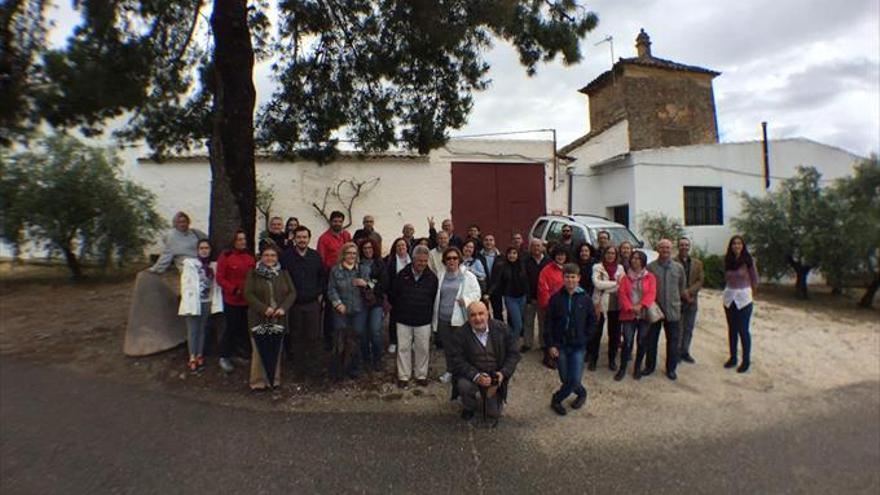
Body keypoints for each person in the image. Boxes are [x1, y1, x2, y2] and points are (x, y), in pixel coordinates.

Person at [448, 301, 521, 422]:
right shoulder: (460, 334)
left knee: (494, 414)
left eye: (481, 313)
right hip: (472, 374)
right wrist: (476, 376)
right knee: (463, 385)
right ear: (468, 317)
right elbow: (457, 360)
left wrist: (502, 374)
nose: (478, 318)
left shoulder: (502, 329)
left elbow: (514, 354)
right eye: (473, 315)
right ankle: (469, 406)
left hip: (495, 375)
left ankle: (490, 397)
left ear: (488, 314)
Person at [244, 244, 297, 390]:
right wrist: (263, 308)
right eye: (267, 255)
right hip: (259, 317)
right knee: (259, 350)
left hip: (277, 317)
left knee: (275, 349)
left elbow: (292, 293)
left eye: (273, 255)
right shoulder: (253, 273)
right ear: (261, 257)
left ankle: (274, 380)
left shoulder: (283, 273)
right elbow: (248, 294)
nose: (270, 258)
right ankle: (257, 382)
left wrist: (283, 308)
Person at [546, 263, 596, 415]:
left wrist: (586, 337)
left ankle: (557, 399)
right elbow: (548, 323)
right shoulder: (555, 299)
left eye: (573, 277)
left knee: (574, 378)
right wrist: (551, 345)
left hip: (577, 346)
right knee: (565, 378)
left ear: (579, 278)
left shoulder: (585, 299)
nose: (570, 280)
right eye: (567, 277)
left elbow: (592, 321)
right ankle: (581, 392)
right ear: (563, 278)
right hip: (560, 345)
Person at [391, 245, 439, 388]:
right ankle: (403, 376)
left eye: (425, 261)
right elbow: (394, 295)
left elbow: (433, 297)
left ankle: (421, 375)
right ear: (413, 259)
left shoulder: (432, 278)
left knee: (423, 348)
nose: (422, 264)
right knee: (403, 348)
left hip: (423, 319)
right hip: (403, 318)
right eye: (419, 261)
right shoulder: (402, 275)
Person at [432, 246, 482, 384]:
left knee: (462, 347)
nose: (452, 261)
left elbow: (477, 293)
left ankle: (464, 372)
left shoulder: (467, 276)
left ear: (459, 259)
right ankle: (450, 370)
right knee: (448, 347)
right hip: (443, 317)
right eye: (448, 258)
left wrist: (466, 300)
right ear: (444, 261)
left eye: (455, 258)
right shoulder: (440, 276)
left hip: (459, 318)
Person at [279, 226, 325, 361]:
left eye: (305, 237)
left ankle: (311, 364)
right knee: (295, 335)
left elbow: (322, 276)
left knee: (313, 335)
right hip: (293, 304)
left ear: (309, 239)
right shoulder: (286, 257)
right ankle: (297, 364)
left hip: (312, 303)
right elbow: (281, 278)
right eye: (299, 237)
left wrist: (319, 293)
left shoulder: (315, 256)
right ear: (294, 238)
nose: (302, 240)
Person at [327, 242, 371, 378]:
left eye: (354, 253)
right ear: (343, 254)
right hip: (341, 311)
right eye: (349, 253)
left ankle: (354, 369)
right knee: (340, 339)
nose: (351, 256)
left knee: (355, 338)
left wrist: (366, 284)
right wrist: (338, 304)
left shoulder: (362, 269)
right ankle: (339, 370)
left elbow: (373, 285)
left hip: (359, 310)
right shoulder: (335, 270)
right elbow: (331, 289)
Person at [178, 239, 224, 373]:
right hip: (193, 302)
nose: (204, 250)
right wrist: (188, 299)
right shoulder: (190, 264)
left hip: (207, 301)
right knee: (193, 330)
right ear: (197, 250)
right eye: (202, 248)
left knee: (203, 329)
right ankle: (192, 356)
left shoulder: (213, 266)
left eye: (207, 248)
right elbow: (185, 284)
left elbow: (216, 284)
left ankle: (199, 355)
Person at [646, 239, 687, 380]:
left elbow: (682, 287)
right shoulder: (650, 267)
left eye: (667, 248)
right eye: (662, 247)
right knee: (651, 339)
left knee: (673, 341)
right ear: (658, 249)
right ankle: (650, 366)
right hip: (655, 310)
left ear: (671, 249)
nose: (665, 250)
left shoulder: (678, 268)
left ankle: (671, 369)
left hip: (673, 309)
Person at [216, 229, 256, 373]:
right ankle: (224, 355)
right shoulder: (226, 256)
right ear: (233, 241)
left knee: (244, 328)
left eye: (244, 239)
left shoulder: (249, 257)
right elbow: (220, 278)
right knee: (231, 328)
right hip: (232, 300)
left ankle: (243, 353)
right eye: (239, 239)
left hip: (247, 300)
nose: (242, 242)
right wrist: (233, 289)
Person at [616, 251, 656, 381]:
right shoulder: (625, 278)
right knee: (627, 341)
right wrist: (631, 307)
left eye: (638, 259)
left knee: (642, 341)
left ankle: (637, 367)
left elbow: (651, 293)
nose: (635, 260)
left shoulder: (650, 277)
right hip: (629, 314)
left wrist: (641, 305)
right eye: (633, 258)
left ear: (643, 261)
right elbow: (622, 294)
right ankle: (622, 368)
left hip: (644, 314)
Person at [723, 235, 759, 373]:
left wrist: (750, 294)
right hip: (729, 297)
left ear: (743, 246)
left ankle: (746, 360)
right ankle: (733, 357)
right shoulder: (727, 260)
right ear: (730, 246)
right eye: (734, 244)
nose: (736, 246)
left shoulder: (748, 261)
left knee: (743, 330)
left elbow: (755, 279)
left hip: (744, 298)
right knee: (732, 329)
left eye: (739, 243)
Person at [317, 211, 353, 350]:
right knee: (331, 308)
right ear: (331, 222)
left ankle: (344, 334)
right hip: (330, 276)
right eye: (335, 221)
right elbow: (322, 260)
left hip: (347, 276)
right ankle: (328, 338)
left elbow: (351, 252)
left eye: (340, 221)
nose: (337, 223)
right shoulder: (324, 238)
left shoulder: (346, 236)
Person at [588, 245, 624, 371]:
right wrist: (615, 283)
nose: (610, 255)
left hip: (615, 304)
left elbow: (622, 285)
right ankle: (593, 359)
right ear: (604, 254)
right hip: (599, 303)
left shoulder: (620, 268)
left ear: (616, 255)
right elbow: (597, 284)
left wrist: (607, 286)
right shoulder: (597, 267)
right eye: (608, 253)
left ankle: (612, 359)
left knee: (614, 334)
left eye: (613, 253)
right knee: (596, 333)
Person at [357, 238, 388, 371]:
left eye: (370, 248)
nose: (368, 251)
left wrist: (368, 285)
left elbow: (384, 283)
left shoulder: (379, 264)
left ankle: (377, 357)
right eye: (365, 248)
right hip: (360, 302)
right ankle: (365, 357)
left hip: (376, 302)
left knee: (375, 330)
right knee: (362, 332)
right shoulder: (357, 264)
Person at [489, 247, 529, 346]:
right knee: (518, 324)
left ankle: (509, 339)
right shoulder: (503, 267)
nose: (512, 255)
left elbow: (527, 282)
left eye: (514, 253)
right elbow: (497, 282)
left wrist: (528, 295)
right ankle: (511, 345)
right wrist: (489, 292)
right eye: (510, 253)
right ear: (507, 255)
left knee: (519, 322)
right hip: (510, 297)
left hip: (522, 297)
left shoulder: (522, 265)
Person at [537, 245, 569, 368]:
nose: (560, 257)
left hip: (566, 305)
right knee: (550, 331)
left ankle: (561, 355)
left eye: (563, 255)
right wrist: (549, 304)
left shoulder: (568, 269)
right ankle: (548, 356)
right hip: (551, 305)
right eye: (558, 255)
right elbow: (542, 288)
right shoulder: (547, 270)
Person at [677, 237, 704, 364]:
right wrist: (683, 292)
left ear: (689, 247)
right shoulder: (673, 262)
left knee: (689, 327)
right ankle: (676, 352)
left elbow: (700, 280)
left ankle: (685, 351)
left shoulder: (697, 263)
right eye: (682, 245)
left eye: (686, 245)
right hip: (678, 300)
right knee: (678, 328)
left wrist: (690, 292)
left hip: (692, 300)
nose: (684, 247)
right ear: (678, 246)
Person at [384, 237, 412, 353]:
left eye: (403, 245)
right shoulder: (390, 261)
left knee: (410, 318)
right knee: (394, 319)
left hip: (411, 295)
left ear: (407, 247)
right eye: (398, 246)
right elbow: (387, 280)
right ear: (395, 248)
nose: (401, 247)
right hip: (395, 295)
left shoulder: (413, 260)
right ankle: (393, 341)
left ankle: (410, 341)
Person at [521, 238, 549, 353]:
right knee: (528, 321)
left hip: (543, 297)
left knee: (543, 322)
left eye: (538, 246)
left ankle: (543, 343)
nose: (536, 248)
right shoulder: (526, 261)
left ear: (543, 247)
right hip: (530, 296)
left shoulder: (548, 261)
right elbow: (524, 279)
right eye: (533, 246)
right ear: (530, 248)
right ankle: (527, 343)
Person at [480, 234, 504, 319]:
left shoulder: (501, 257)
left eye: (491, 240)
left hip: (496, 289)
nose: (488, 242)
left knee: (498, 313)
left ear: (494, 242)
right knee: (484, 314)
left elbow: (500, 276)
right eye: (486, 240)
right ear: (483, 242)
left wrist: (491, 291)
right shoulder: (478, 256)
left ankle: (499, 332)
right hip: (483, 289)